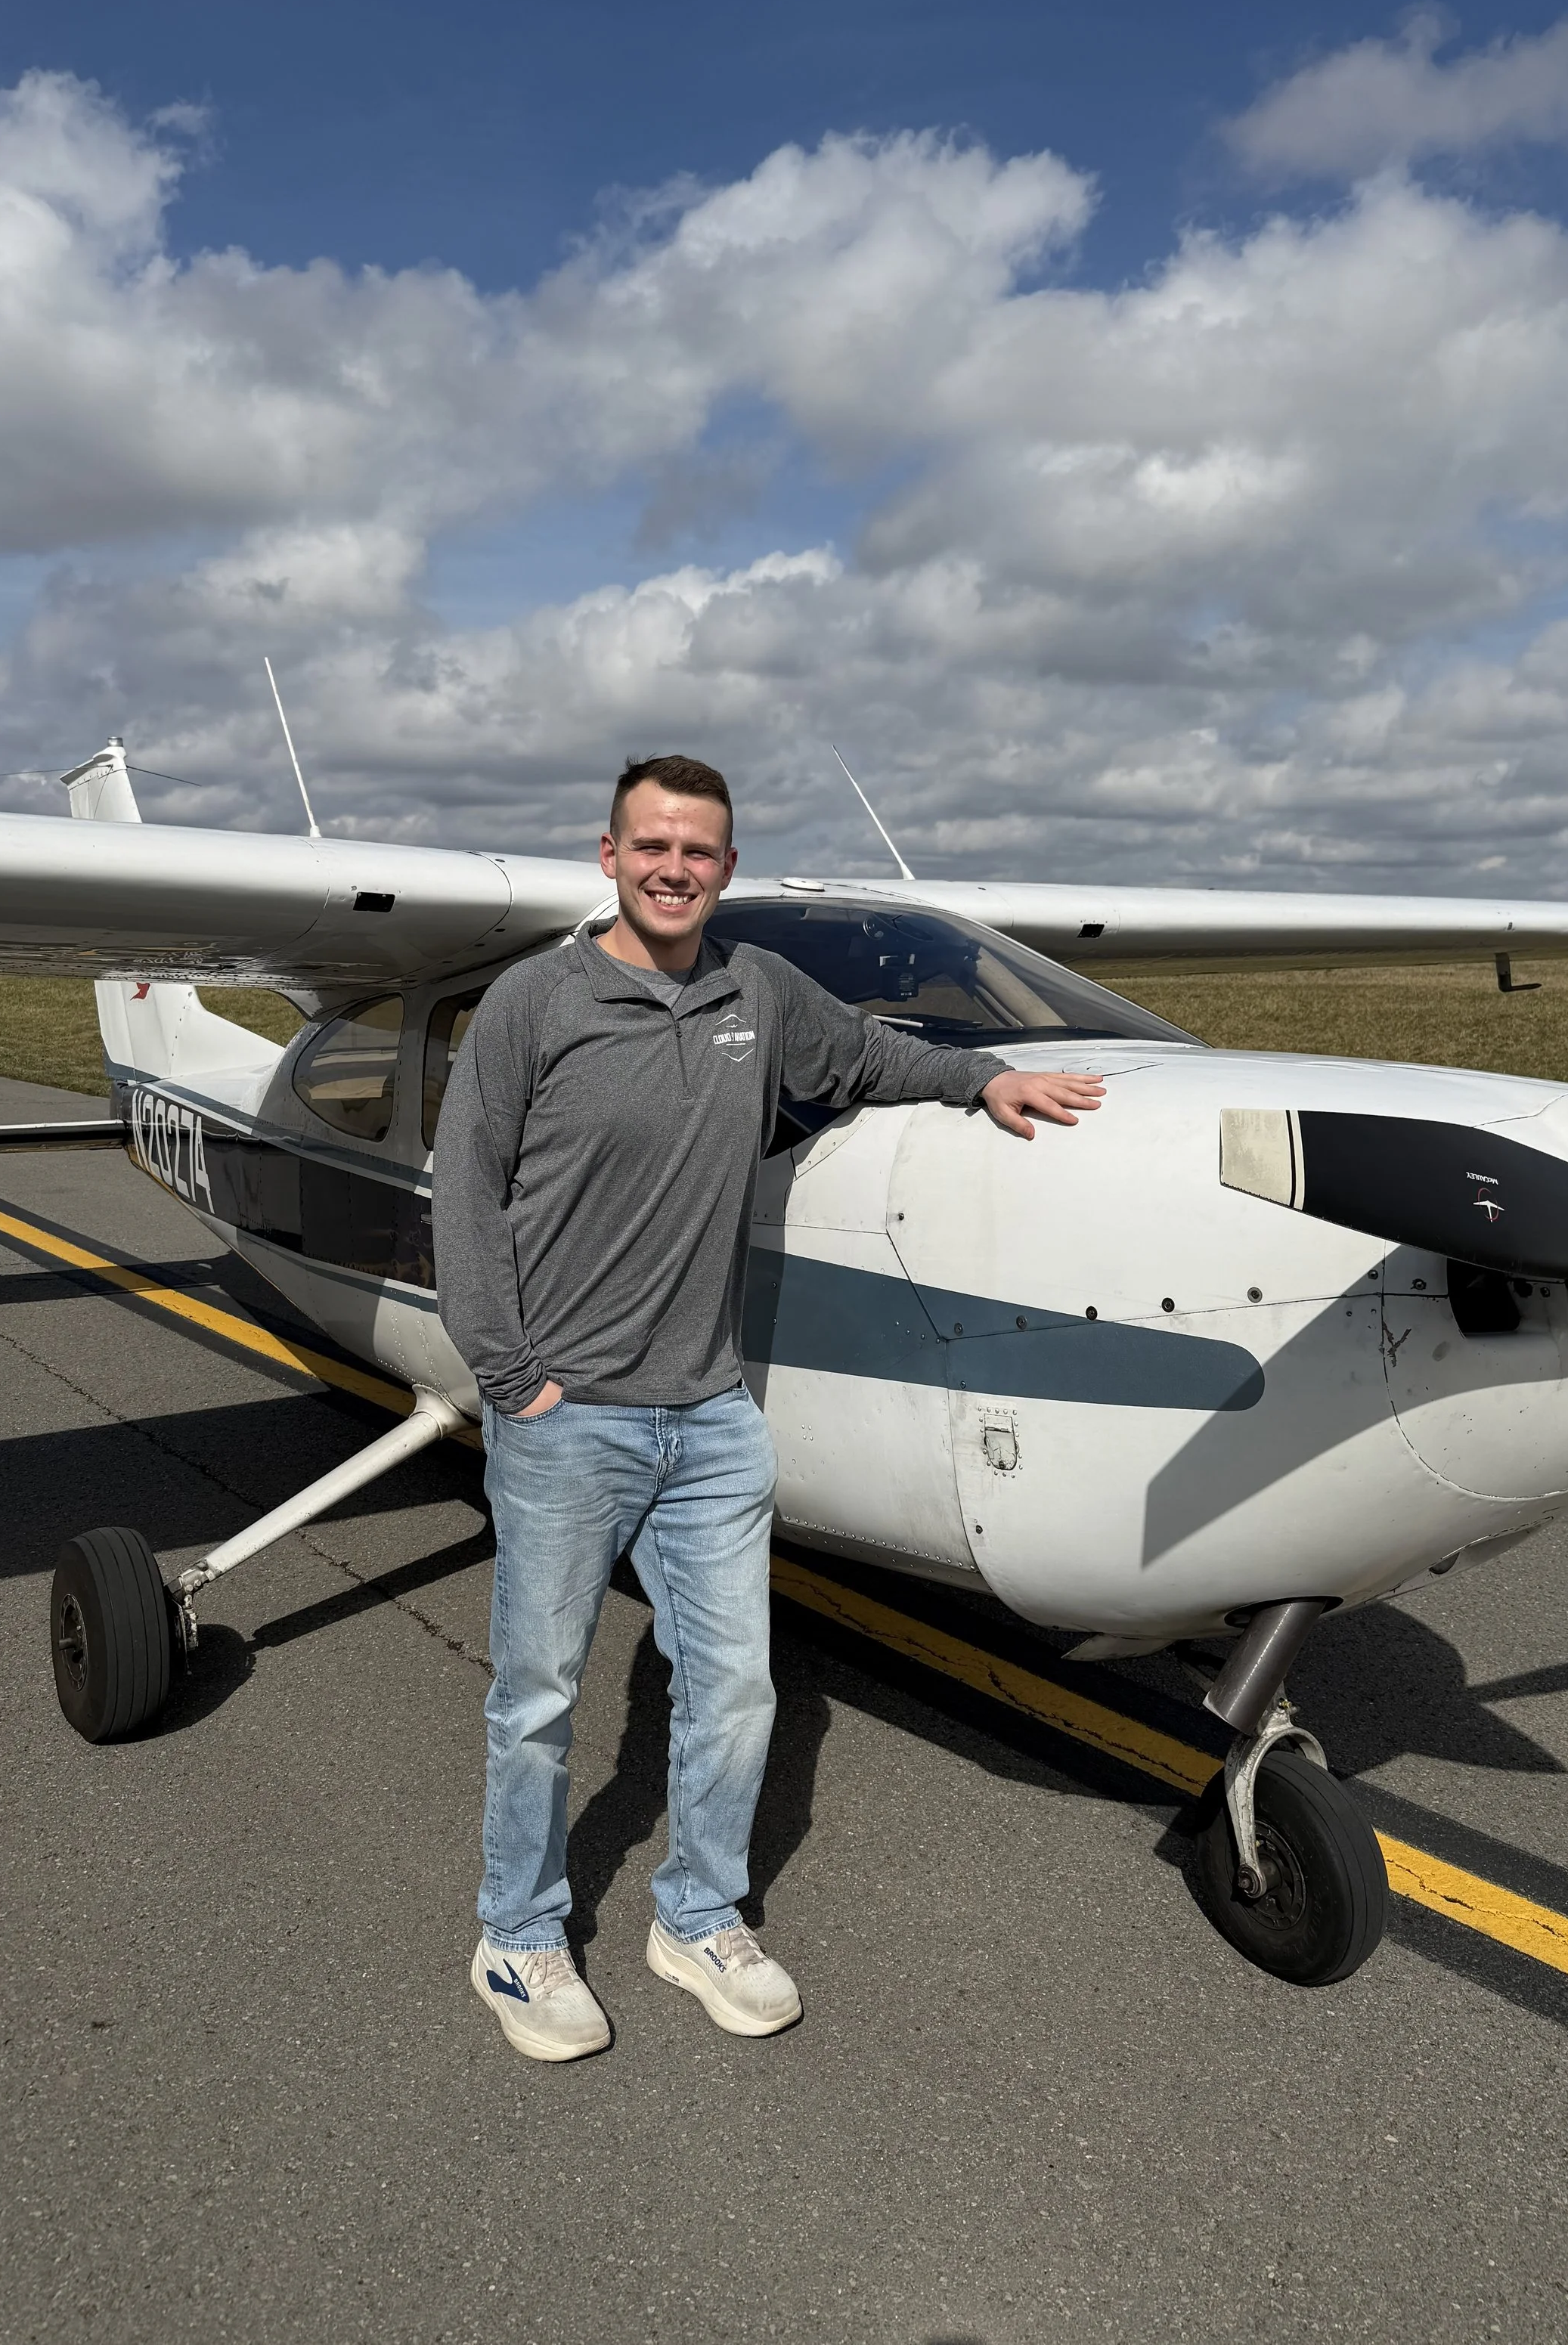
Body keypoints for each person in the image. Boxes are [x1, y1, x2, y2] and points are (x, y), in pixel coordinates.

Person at [430, 754, 1104, 2062]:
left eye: (701, 851)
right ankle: (517, 1935)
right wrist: (514, 1380)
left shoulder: (756, 988)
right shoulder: (536, 1002)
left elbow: (861, 1054)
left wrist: (984, 1083)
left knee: (738, 1687)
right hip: (567, 1415)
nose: (676, 868)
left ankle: (697, 1915)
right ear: (609, 856)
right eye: (653, 846)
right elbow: (465, 1193)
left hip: (712, 1418)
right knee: (536, 1695)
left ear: (726, 869)